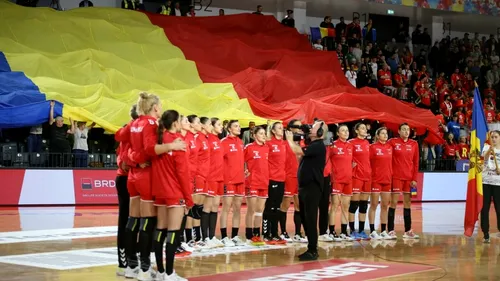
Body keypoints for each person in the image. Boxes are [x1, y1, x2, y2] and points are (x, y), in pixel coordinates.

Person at [114, 92, 185, 280]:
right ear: (155, 108)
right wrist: (172, 146)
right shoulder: (151, 123)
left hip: (133, 177)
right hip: (146, 177)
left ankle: (131, 266)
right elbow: (149, 149)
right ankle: (145, 269)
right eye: (159, 107)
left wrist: (134, 160)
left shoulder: (135, 123)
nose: (160, 110)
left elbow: (120, 138)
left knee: (132, 220)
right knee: (147, 222)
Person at [153, 110, 193, 281]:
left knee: (160, 230)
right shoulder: (178, 143)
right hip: (175, 192)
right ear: (175, 123)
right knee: (173, 233)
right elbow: (183, 174)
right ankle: (169, 274)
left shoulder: (158, 142)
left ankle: (161, 271)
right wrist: (189, 199)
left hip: (159, 192)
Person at [285, 121, 327, 261]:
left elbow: (297, 151)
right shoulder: (312, 145)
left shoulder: (318, 146)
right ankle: (311, 247)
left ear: (320, 133)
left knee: (310, 218)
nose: (310, 129)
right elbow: (300, 158)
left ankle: (313, 249)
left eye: (313, 128)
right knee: (304, 217)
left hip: (312, 187)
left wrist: (290, 140)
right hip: (305, 186)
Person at [114, 105, 138, 277]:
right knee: (126, 220)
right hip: (126, 178)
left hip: (133, 179)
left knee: (135, 221)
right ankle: (124, 263)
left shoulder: (137, 131)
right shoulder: (129, 131)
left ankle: (133, 260)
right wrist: (137, 163)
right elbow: (123, 160)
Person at [387, 123, 420, 239]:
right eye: (404, 129)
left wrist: (414, 179)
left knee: (408, 203)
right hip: (395, 177)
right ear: (399, 131)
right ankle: (390, 230)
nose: (406, 131)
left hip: (409, 179)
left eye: (408, 130)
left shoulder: (414, 144)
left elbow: (416, 163)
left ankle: (408, 231)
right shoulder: (392, 142)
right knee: (393, 203)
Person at [279, 120, 307, 243]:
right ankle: (283, 232)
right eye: (297, 127)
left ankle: (297, 233)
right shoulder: (284, 143)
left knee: (299, 206)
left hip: (300, 177)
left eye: (301, 127)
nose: (299, 129)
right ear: (290, 129)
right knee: (285, 205)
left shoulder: (303, 143)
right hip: (288, 176)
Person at [220, 120, 246, 246]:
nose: (239, 128)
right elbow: (218, 161)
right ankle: (224, 236)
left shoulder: (241, 142)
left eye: (239, 126)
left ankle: (235, 236)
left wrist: (245, 169)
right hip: (228, 180)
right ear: (229, 129)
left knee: (237, 209)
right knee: (226, 208)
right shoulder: (223, 142)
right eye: (236, 126)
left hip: (240, 180)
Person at [328, 124, 354, 242]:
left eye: (347, 130)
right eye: (343, 131)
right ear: (338, 133)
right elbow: (327, 161)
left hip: (348, 180)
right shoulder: (332, 146)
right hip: (337, 180)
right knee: (334, 206)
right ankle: (332, 231)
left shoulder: (350, 146)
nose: (346, 132)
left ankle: (344, 231)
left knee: (346, 206)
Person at [263, 122, 287, 244]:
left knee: (277, 207)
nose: (281, 130)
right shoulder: (269, 144)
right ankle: (266, 233)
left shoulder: (284, 144)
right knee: (269, 206)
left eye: (282, 128)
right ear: (273, 131)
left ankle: (275, 233)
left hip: (282, 178)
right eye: (279, 128)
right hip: (271, 178)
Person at [244, 126, 269, 246]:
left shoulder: (267, 148)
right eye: (261, 133)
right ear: (254, 135)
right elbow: (240, 160)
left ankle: (257, 234)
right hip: (252, 182)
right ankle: (249, 235)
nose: (264, 135)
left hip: (264, 182)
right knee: (251, 209)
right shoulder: (249, 147)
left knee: (260, 210)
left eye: (264, 133)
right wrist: (244, 170)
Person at [203, 118, 225, 246]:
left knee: (215, 207)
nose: (221, 126)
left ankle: (211, 236)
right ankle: (204, 237)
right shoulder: (208, 139)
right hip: (210, 177)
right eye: (219, 124)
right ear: (211, 126)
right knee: (207, 207)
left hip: (219, 177)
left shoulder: (217, 140)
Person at [369, 127, 393, 240]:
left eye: (386, 133)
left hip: (387, 180)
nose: (385, 135)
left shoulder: (390, 147)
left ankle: (383, 230)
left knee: (385, 206)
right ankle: (372, 230)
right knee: (373, 205)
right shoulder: (372, 147)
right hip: (375, 180)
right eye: (382, 133)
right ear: (377, 136)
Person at [348, 123, 371, 240]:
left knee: (363, 206)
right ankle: (352, 231)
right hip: (356, 177)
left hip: (367, 177)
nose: (365, 129)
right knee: (354, 205)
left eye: (365, 127)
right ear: (356, 131)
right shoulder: (351, 143)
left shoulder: (367, 143)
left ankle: (361, 230)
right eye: (362, 128)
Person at [481, 130, 500, 243]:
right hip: (486, 182)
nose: (493, 139)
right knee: (485, 209)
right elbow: (485, 159)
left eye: (496, 137)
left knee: (499, 208)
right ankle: (486, 233)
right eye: (492, 137)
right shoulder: (486, 147)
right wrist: (489, 151)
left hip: (498, 183)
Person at [187, 115, 203, 244]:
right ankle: (187, 239)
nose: (200, 125)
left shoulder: (194, 138)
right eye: (198, 122)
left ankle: (197, 237)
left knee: (196, 208)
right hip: (188, 176)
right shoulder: (186, 138)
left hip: (196, 175)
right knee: (189, 208)